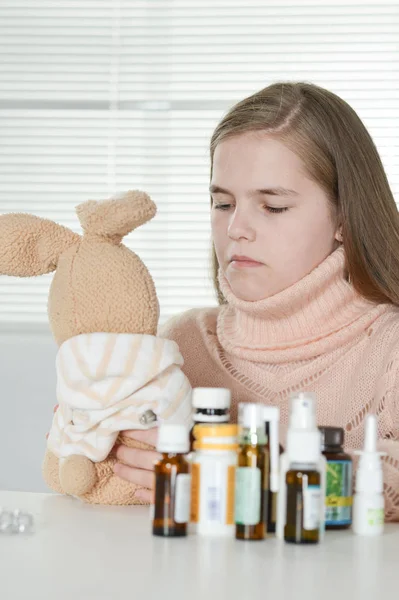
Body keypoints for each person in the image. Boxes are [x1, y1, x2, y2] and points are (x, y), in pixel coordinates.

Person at [113, 81, 399, 520]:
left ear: (344, 216)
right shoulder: (179, 344)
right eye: (223, 203)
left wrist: (228, 478)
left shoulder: (390, 348)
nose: (235, 229)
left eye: (273, 206)